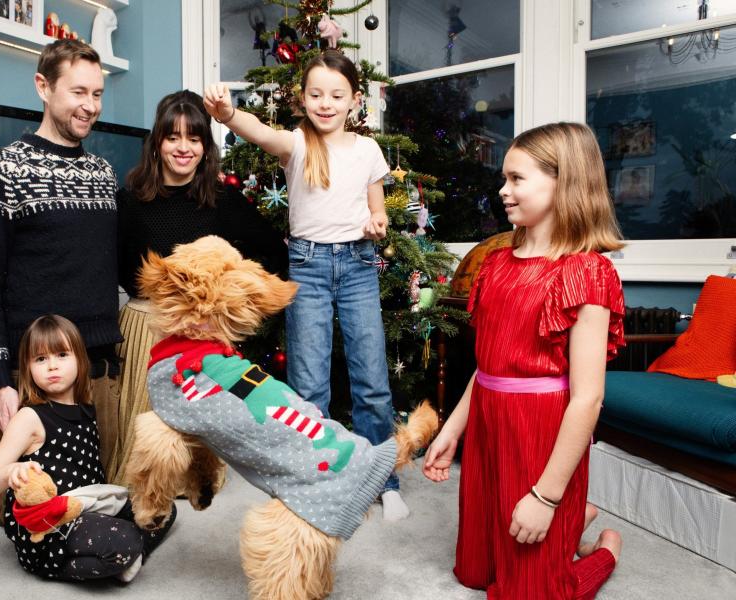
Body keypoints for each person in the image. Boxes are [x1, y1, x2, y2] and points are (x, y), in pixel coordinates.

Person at [421, 122, 625, 599]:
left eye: (517, 179)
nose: (503, 191)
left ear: (564, 183)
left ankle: (602, 546)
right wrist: (452, 431)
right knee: (473, 572)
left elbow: (588, 398)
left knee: (528, 592)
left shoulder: (586, 272)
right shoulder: (495, 265)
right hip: (491, 421)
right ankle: (569, 525)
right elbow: (489, 366)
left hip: (540, 432)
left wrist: (545, 496)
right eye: (504, 179)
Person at [203, 49, 409, 520]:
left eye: (337, 95)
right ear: (302, 99)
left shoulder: (367, 150)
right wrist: (228, 114)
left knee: (372, 380)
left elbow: (376, 204)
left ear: (354, 100)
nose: (326, 103)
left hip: (358, 266)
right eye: (316, 94)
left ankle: (385, 478)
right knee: (308, 385)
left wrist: (378, 221)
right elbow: (260, 131)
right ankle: (310, 478)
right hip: (309, 267)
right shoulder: (296, 143)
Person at [0, 39, 123, 526]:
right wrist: (0, 382)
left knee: (97, 494)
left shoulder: (103, 173)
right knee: (33, 506)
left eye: (98, 94)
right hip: (37, 366)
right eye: (79, 91)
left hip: (98, 362)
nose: (91, 106)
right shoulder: (1, 169)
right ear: (43, 86)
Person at [111, 89, 286, 483]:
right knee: (147, 439)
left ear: (206, 148)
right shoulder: (130, 202)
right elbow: (115, 269)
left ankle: (196, 479)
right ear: (157, 144)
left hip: (205, 338)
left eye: (194, 138)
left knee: (195, 438)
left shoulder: (223, 200)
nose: (183, 148)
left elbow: (273, 254)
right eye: (173, 137)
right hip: (147, 327)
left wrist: (230, 314)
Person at [0, 314, 174, 582]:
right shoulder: (30, 418)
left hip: (91, 504)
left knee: (163, 507)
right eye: (40, 359)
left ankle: (123, 553)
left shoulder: (86, 408)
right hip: (54, 524)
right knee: (124, 540)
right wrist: (12, 469)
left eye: (61, 355)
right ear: (28, 368)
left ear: (80, 360)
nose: (52, 366)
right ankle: (112, 554)